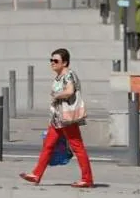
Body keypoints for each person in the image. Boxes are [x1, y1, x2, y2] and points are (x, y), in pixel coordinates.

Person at [19, 48, 94, 188]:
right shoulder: (60, 76)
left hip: (67, 118)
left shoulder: (69, 75)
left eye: (56, 61)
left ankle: (87, 179)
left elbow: (70, 91)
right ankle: (36, 174)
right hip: (57, 118)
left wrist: (57, 95)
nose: (52, 63)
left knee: (78, 147)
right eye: (51, 60)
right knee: (48, 145)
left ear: (64, 62)